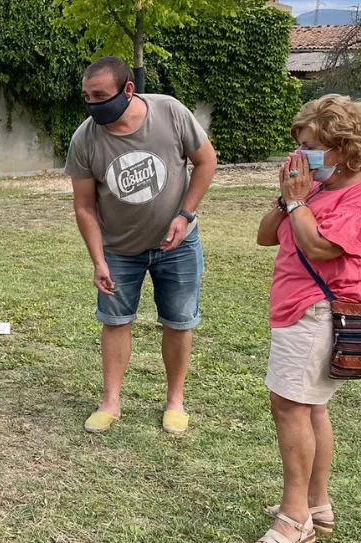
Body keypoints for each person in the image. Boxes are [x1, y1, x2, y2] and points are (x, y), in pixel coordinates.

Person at [250, 95, 361, 543]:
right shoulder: (316, 189)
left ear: (342, 145)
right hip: (297, 310)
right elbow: (264, 235)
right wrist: (288, 197)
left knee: (290, 407)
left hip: (320, 312)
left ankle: (295, 521)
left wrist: (297, 204)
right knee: (311, 410)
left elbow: (319, 247)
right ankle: (317, 505)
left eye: (312, 146)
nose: (304, 155)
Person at [66, 56, 217, 435]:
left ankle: (175, 402)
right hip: (118, 250)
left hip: (177, 247)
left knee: (179, 323)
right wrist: (98, 260)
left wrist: (185, 215)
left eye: (100, 95)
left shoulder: (170, 112)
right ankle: (111, 402)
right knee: (115, 323)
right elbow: (84, 206)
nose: (93, 103)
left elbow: (206, 161)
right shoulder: (85, 138)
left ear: (128, 89)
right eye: (87, 96)